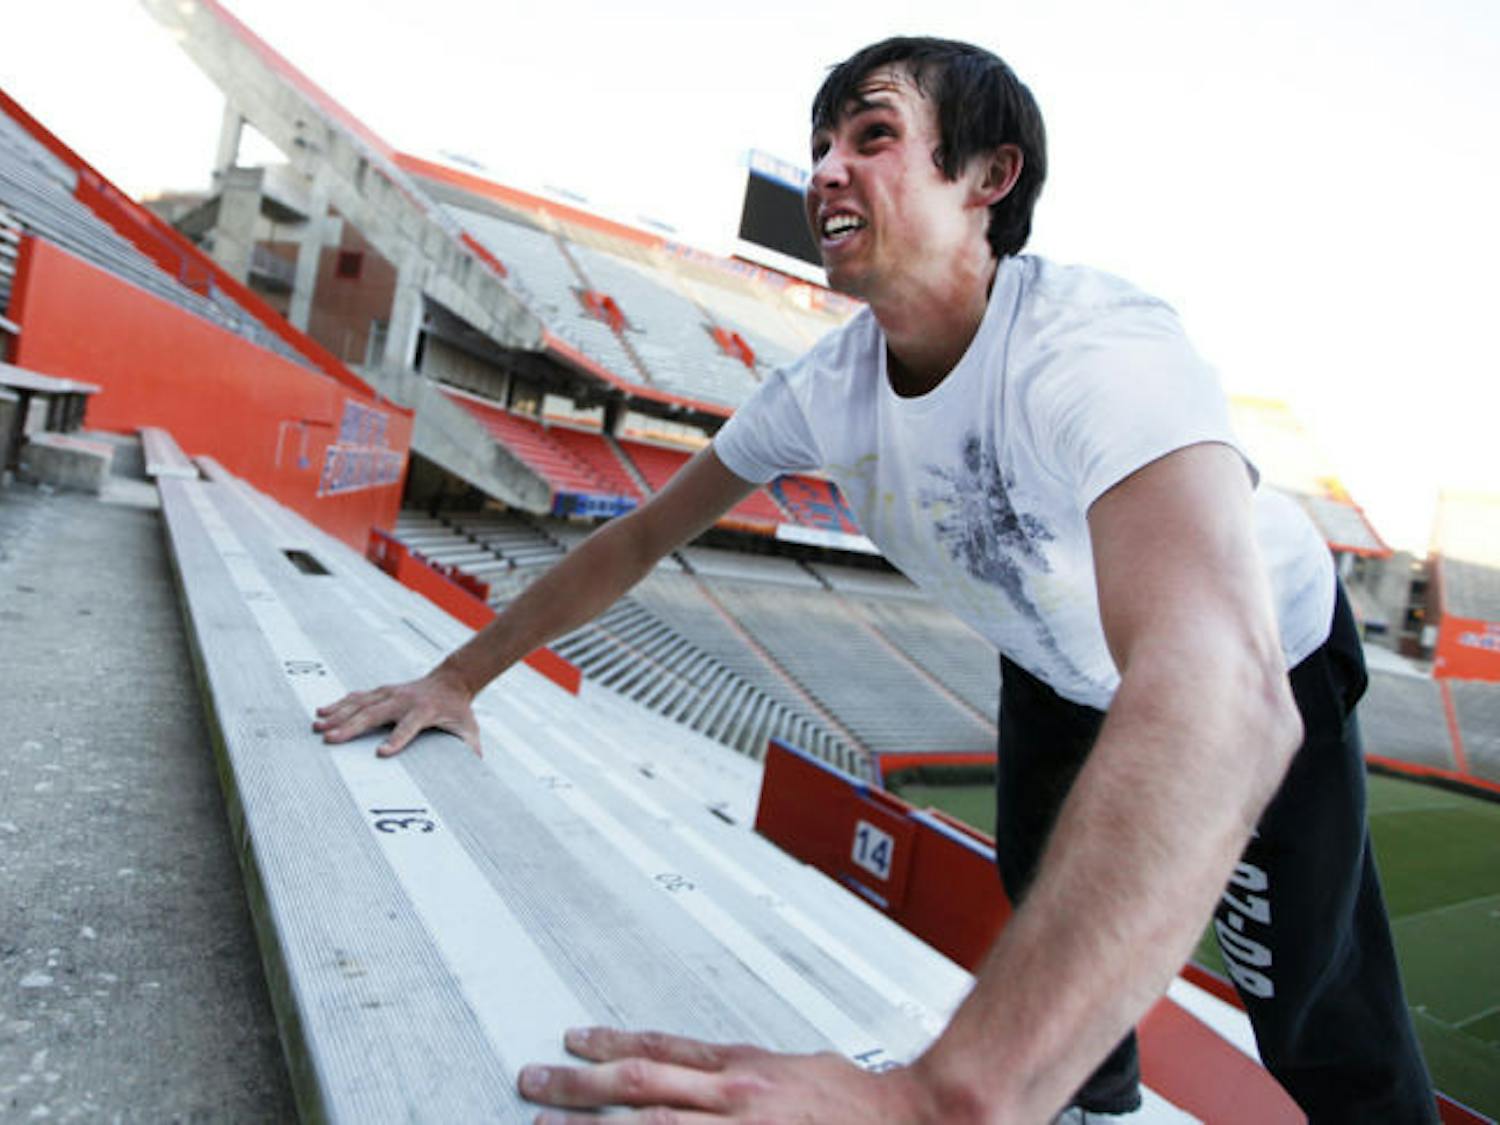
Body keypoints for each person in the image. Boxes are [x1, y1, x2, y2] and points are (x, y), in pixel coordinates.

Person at [313, 37, 1436, 1122]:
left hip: (1267, 647)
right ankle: (1090, 1101)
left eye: (873, 134)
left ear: (990, 176)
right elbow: (633, 540)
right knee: (1039, 886)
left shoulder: (1095, 348)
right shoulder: (825, 388)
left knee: (1308, 999)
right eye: (819, 145)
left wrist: (937, 1101)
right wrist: (457, 678)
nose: (825, 170)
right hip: (1052, 660)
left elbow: (1221, 690)